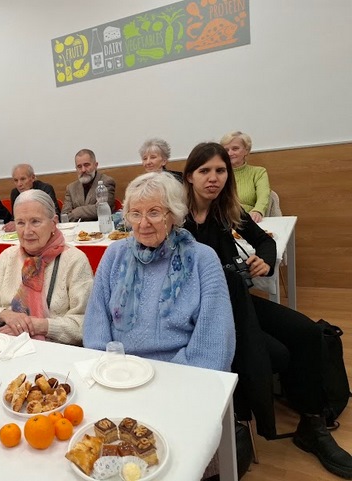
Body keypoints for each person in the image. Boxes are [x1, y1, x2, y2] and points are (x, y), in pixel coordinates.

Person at [183, 142, 352, 479]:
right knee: (277, 353)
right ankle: (249, 423)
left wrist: (265, 260)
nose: (213, 178)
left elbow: (265, 240)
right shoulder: (178, 216)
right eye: (204, 171)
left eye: (220, 171)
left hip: (237, 300)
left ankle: (312, 425)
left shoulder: (226, 209)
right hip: (204, 312)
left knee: (308, 332)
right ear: (189, 176)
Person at [83, 172, 235, 372]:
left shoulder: (202, 259)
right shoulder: (115, 254)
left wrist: (171, 378)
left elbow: (214, 343)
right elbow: (96, 323)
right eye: (135, 213)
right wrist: (108, 367)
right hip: (119, 371)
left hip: (181, 373)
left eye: (154, 213)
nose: (143, 223)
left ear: (174, 214)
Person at [0, 189, 93, 345]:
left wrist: (34, 326)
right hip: (7, 344)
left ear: (53, 223)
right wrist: (7, 315)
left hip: (56, 349)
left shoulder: (75, 261)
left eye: (35, 221)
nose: (27, 231)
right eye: (20, 223)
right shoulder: (7, 257)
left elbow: (84, 324)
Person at [220, 131, 270, 223]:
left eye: (235, 148)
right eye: (226, 150)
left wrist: (258, 211)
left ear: (246, 150)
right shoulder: (218, 173)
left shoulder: (258, 172)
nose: (230, 153)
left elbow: (263, 195)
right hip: (223, 221)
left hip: (250, 220)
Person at [3, 164, 60, 232]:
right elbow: (15, 217)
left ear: (32, 178)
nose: (19, 184)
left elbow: (54, 214)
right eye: (16, 180)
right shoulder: (15, 193)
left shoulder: (45, 189)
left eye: (23, 179)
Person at [62, 149, 116, 222]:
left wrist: (77, 212)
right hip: (77, 228)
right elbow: (65, 216)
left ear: (95, 165)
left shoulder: (107, 182)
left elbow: (103, 209)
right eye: (79, 166)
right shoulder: (71, 188)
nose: (83, 170)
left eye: (86, 165)